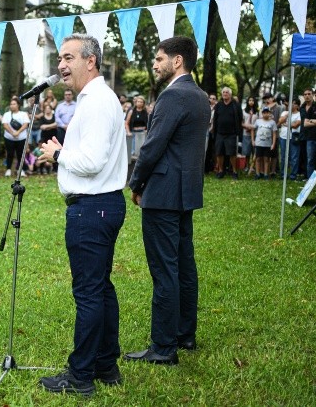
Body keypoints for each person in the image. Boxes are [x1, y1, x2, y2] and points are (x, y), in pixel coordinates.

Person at [37, 33, 128, 395]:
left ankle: (80, 378)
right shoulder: (97, 100)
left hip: (92, 208)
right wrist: (64, 148)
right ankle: (106, 366)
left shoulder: (96, 102)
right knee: (101, 288)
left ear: (91, 61)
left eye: (69, 57)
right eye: (59, 58)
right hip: (102, 205)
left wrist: (56, 155)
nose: (60, 65)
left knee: (89, 293)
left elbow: (91, 162)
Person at [125, 36, 210, 367]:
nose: (155, 64)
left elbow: (152, 145)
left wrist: (136, 182)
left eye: (159, 58)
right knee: (184, 265)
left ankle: (163, 347)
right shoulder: (200, 96)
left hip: (162, 194)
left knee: (165, 270)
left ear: (177, 61)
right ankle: (184, 334)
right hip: (186, 191)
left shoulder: (173, 96)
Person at [211, 87, 243, 179]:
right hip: (219, 133)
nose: (225, 94)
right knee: (219, 153)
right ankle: (221, 171)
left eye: (227, 92)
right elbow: (215, 119)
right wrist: (214, 131)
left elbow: (240, 118)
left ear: (230, 94)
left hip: (231, 133)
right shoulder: (218, 105)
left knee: (232, 153)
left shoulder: (235, 105)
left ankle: (234, 171)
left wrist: (238, 131)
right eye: (223, 92)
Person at [1, 97, 29, 177]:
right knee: (10, 154)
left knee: (20, 154)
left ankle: (21, 170)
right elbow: (5, 125)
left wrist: (18, 132)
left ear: (18, 105)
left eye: (14, 104)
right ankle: (8, 169)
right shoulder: (7, 114)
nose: (12, 106)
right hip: (9, 138)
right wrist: (12, 133)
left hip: (21, 138)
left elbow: (25, 124)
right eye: (11, 104)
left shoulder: (23, 114)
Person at [278, 98, 302, 180]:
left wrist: (287, 124)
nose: (292, 105)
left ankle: (293, 175)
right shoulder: (285, 112)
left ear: (298, 106)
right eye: (291, 103)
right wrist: (288, 114)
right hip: (283, 137)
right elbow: (280, 121)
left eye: (294, 103)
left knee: (294, 157)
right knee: (284, 157)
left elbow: (296, 125)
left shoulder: (299, 114)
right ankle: (283, 174)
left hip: (294, 138)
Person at [252, 106, 277, 179]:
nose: (266, 114)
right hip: (259, 143)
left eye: (267, 112)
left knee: (266, 159)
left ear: (270, 113)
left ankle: (266, 174)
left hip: (267, 144)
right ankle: (257, 174)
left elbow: (274, 133)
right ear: (262, 113)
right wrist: (253, 140)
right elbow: (253, 130)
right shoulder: (258, 121)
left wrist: (273, 143)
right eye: (264, 113)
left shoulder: (272, 122)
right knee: (258, 159)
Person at [125, 95, 149, 162]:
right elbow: (126, 123)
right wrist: (128, 132)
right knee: (132, 153)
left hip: (142, 133)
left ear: (143, 103)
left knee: (140, 153)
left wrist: (146, 130)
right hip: (133, 133)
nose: (139, 103)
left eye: (141, 102)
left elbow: (147, 123)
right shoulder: (131, 111)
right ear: (136, 102)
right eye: (138, 101)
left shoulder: (145, 112)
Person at [241, 96, 259, 174]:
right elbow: (242, 122)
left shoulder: (257, 112)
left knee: (254, 151)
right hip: (246, 133)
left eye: (252, 100)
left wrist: (252, 128)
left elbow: (258, 122)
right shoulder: (244, 111)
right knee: (247, 152)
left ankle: (253, 167)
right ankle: (247, 166)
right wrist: (247, 127)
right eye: (249, 100)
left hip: (255, 133)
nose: (251, 102)